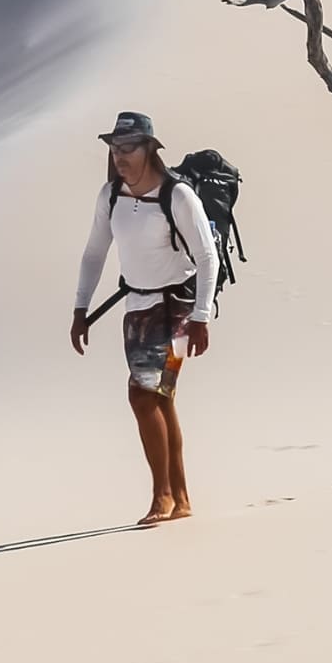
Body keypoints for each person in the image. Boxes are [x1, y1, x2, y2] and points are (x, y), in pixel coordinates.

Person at [69, 110, 219, 525]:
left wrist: (202, 316)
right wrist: (81, 308)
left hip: (178, 311)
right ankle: (181, 497)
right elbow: (94, 253)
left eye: (129, 147)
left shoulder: (178, 195)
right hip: (136, 310)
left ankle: (163, 496)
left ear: (150, 148)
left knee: (142, 395)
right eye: (115, 148)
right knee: (159, 398)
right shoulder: (111, 196)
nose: (120, 156)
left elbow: (208, 258)